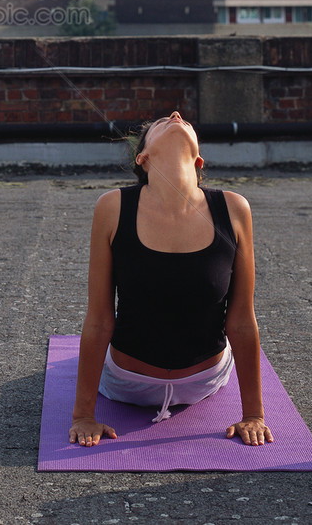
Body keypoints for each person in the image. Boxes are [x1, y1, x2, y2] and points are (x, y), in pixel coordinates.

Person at [69, 112, 274, 448]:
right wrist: (83, 416)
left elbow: (240, 320)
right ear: (143, 158)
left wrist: (254, 414)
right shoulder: (113, 207)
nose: (176, 115)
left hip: (203, 381)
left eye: (183, 120)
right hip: (127, 382)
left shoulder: (234, 208)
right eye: (162, 121)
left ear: (198, 160)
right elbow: (100, 319)